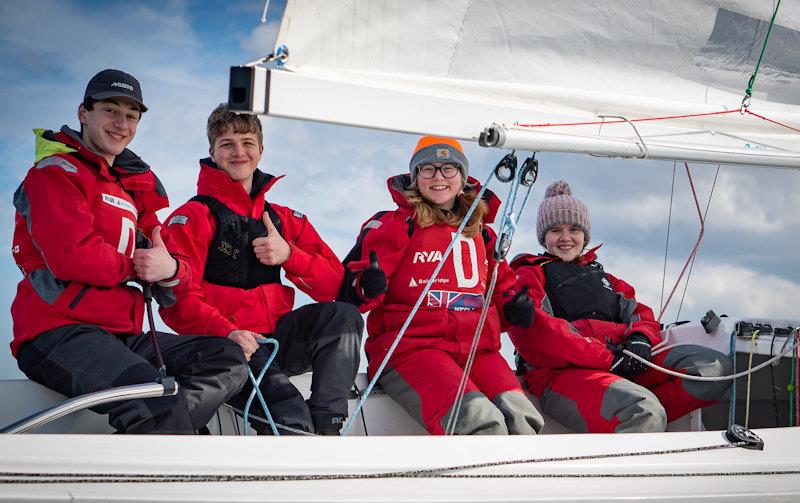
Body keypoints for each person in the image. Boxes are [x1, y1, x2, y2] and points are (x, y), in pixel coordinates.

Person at [10, 69, 248, 434]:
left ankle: (165, 431)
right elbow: (71, 254)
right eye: (110, 110)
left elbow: (173, 261)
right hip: (57, 332)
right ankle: (166, 433)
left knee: (225, 359)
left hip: (121, 334)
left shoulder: (130, 190)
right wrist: (140, 267)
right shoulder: (54, 173)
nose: (121, 123)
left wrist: (168, 270)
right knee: (155, 398)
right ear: (83, 112)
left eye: (131, 116)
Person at [159, 104, 361, 436]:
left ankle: (328, 426)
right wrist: (228, 332)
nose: (239, 152)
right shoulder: (193, 217)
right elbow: (176, 302)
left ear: (261, 150)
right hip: (226, 348)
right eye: (227, 143)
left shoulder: (283, 219)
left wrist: (289, 255)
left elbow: (334, 286)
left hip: (277, 340)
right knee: (292, 423)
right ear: (212, 151)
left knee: (342, 315)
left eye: (247, 142)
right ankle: (297, 439)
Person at [339, 136, 544, 435]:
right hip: (414, 349)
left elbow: (501, 290)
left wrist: (514, 309)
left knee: (524, 419)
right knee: (480, 423)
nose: (438, 177)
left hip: (477, 351)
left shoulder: (481, 235)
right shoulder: (394, 224)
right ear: (415, 178)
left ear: (463, 178)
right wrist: (367, 286)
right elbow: (351, 291)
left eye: (449, 169)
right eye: (428, 169)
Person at [509, 180, 733, 433]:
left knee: (713, 369)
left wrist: (639, 338)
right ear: (543, 237)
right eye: (555, 230)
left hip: (623, 362)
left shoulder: (608, 280)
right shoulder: (530, 276)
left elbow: (642, 315)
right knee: (642, 410)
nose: (566, 238)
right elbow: (539, 336)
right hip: (562, 375)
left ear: (585, 235)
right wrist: (609, 360)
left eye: (574, 229)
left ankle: (643, 421)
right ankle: (640, 418)